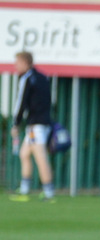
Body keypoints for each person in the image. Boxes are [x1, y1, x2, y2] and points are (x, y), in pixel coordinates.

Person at [9, 51, 55, 202]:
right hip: (43, 122)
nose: (16, 66)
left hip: (36, 125)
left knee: (40, 157)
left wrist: (16, 123)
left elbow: (20, 102)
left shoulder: (27, 78)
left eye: (18, 63)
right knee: (24, 154)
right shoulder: (43, 77)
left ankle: (49, 192)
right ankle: (24, 189)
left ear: (25, 62)